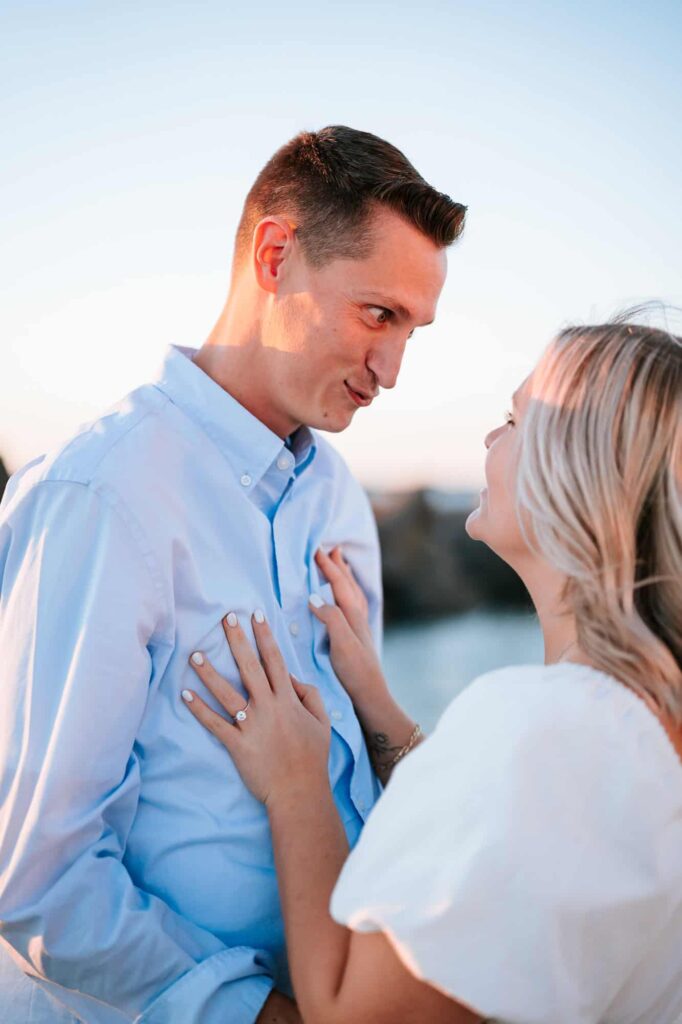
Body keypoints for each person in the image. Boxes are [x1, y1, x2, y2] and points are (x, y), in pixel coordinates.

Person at [0, 126, 465, 1023]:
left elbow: (351, 784)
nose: (392, 372)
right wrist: (260, 1013)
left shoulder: (337, 498)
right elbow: (36, 874)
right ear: (275, 254)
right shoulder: (100, 496)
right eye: (378, 315)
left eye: (412, 329)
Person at [183, 314, 682, 1024]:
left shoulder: (552, 725)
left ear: (579, 470)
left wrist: (298, 786)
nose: (488, 437)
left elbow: (349, 1013)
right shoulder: (635, 719)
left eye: (513, 419)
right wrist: (374, 699)